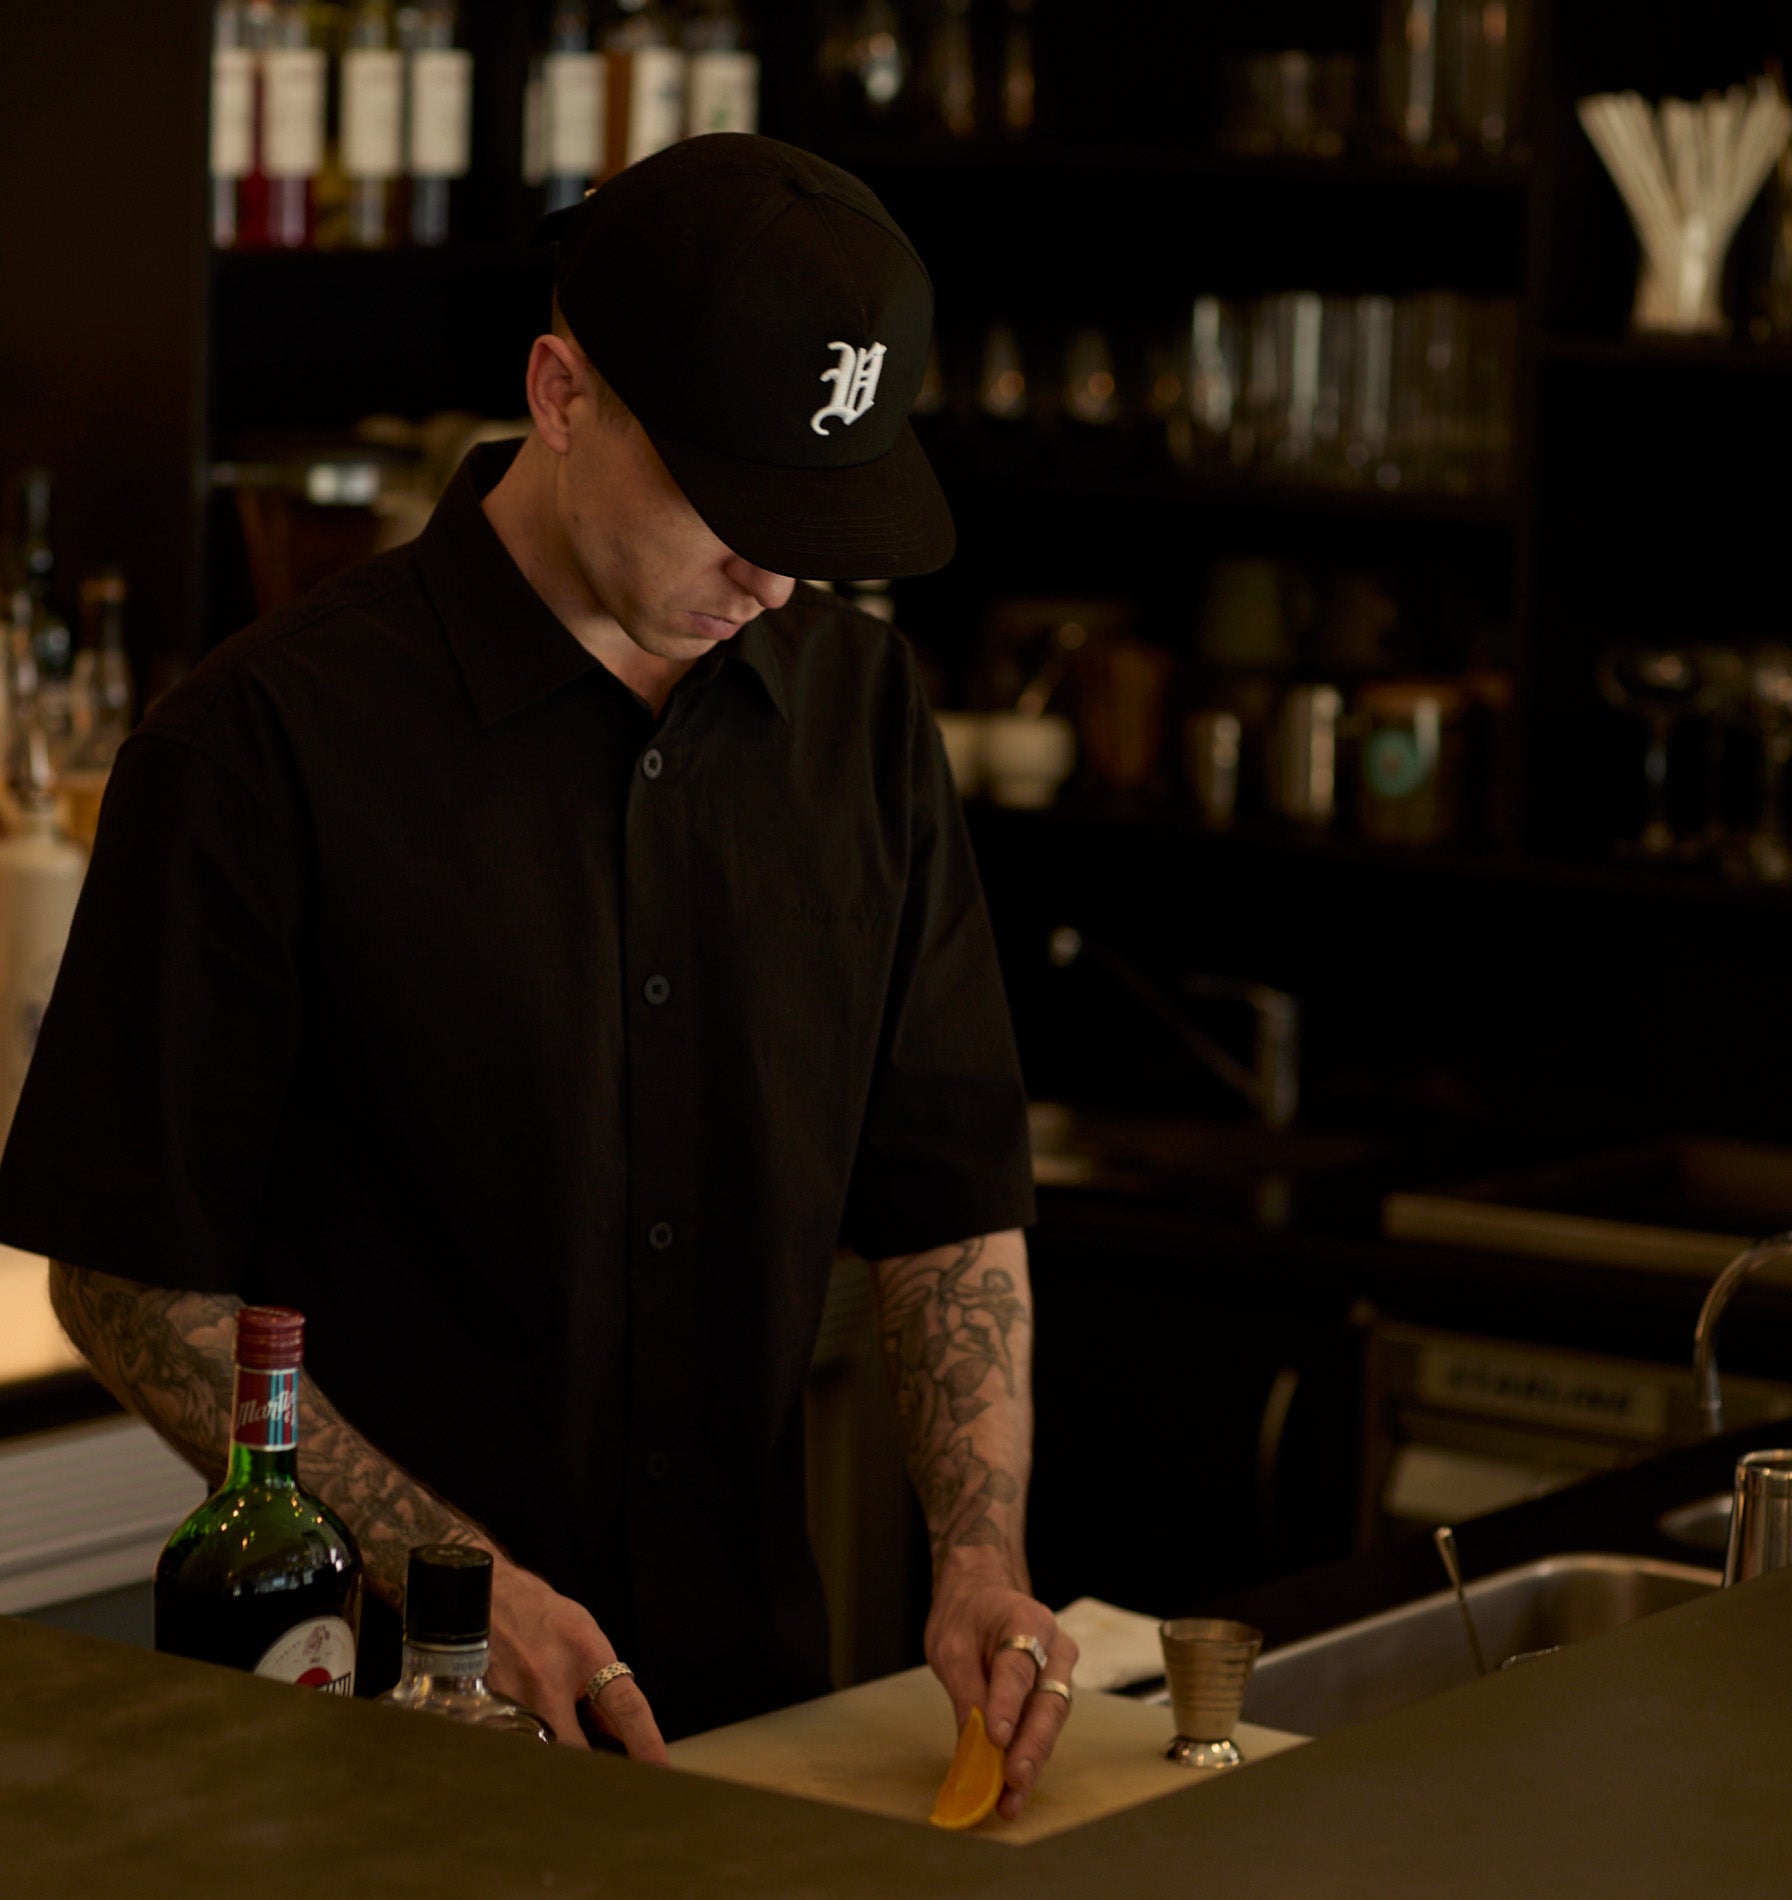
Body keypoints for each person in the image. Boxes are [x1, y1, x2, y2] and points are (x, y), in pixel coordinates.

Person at [0, 134, 1075, 1816]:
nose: (775, 578)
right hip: (362, 1736)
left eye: (815, 524)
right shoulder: (259, 745)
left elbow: (948, 1204)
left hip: (752, 1733)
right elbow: (127, 1276)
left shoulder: (861, 722)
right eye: (731, 510)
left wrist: (982, 1555)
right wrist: (455, 1582)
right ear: (562, 396)